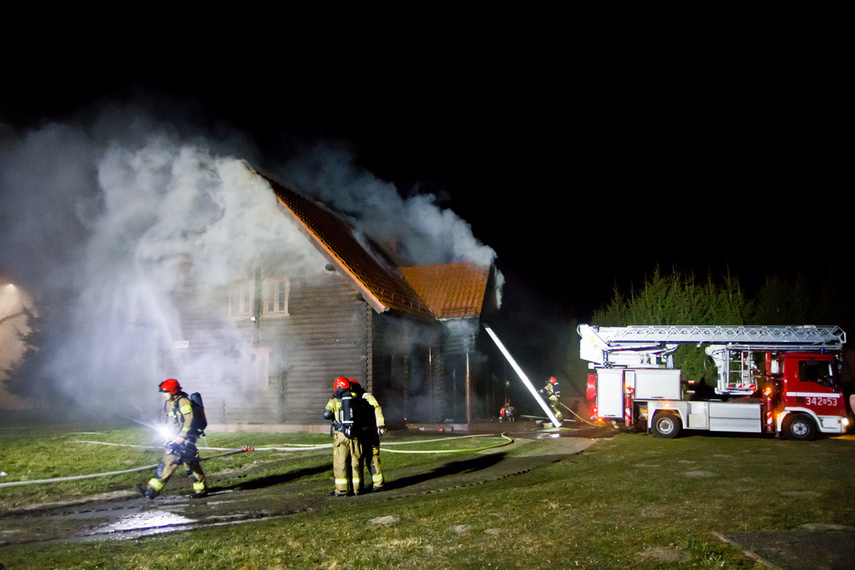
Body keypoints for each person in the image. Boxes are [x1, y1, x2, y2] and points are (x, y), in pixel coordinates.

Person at [138, 379, 208, 499]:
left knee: (190, 465)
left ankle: (201, 491)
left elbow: (189, 420)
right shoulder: (171, 402)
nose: (164, 395)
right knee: (169, 462)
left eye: (166, 392)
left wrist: (182, 436)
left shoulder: (183, 402)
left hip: (185, 440)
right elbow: (172, 422)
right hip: (175, 440)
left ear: (174, 391)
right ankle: (151, 491)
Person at [323, 377, 364, 496]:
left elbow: (326, 414)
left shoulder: (335, 399)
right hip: (355, 435)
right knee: (356, 461)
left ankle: (342, 490)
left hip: (340, 436)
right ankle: (358, 489)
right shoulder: (356, 397)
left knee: (340, 462)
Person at [348, 378, 386, 492]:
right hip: (361, 433)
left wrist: (380, 425)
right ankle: (360, 486)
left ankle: (378, 485)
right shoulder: (354, 399)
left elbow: (377, 409)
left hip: (370, 433)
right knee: (361, 459)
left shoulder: (367, 397)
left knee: (372, 458)